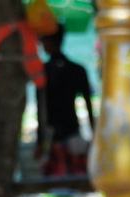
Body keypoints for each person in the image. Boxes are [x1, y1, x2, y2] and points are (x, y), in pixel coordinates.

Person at [35, 29, 93, 177]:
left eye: (43, 40)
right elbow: (88, 105)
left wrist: (39, 141)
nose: (41, 44)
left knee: (53, 179)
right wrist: (94, 134)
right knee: (76, 177)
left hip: (51, 134)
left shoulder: (42, 71)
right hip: (72, 129)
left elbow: (40, 108)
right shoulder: (78, 70)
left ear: (49, 42)